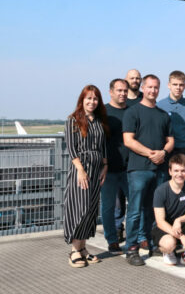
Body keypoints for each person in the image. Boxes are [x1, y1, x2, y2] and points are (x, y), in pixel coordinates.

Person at [122, 74, 174, 266]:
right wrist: (150, 154)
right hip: (138, 169)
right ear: (143, 88)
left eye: (156, 87)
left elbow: (171, 140)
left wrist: (163, 152)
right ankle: (131, 248)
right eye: (150, 87)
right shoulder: (132, 111)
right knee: (135, 210)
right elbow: (128, 140)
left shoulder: (163, 114)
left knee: (154, 210)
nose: (153, 91)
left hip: (159, 169)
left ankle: (152, 242)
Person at [64, 85, 108, 267]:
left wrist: (105, 166)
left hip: (97, 169)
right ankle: (74, 250)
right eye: (88, 98)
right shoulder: (73, 120)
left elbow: (103, 146)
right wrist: (80, 170)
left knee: (90, 210)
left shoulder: (99, 121)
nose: (92, 102)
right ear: (82, 100)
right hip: (80, 170)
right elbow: (71, 147)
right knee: (79, 209)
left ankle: (82, 248)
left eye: (95, 99)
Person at [151, 154, 185, 268]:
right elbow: (160, 221)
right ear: (170, 171)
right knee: (169, 244)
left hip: (182, 224)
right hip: (165, 228)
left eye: (183, 170)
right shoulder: (161, 190)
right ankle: (168, 251)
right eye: (176, 170)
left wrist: (179, 220)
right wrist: (182, 237)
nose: (179, 174)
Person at [101, 79, 130, 255]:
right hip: (108, 169)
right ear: (111, 92)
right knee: (108, 206)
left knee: (136, 205)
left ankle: (135, 238)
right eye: (119, 90)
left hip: (129, 168)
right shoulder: (103, 112)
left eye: (125, 91)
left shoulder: (132, 111)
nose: (122, 94)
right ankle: (112, 240)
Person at [157, 71, 185, 181]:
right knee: (165, 182)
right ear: (169, 85)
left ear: (184, 86)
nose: (178, 88)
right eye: (175, 84)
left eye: (181, 85)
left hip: (184, 149)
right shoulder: (159, 105)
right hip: (166, 150)